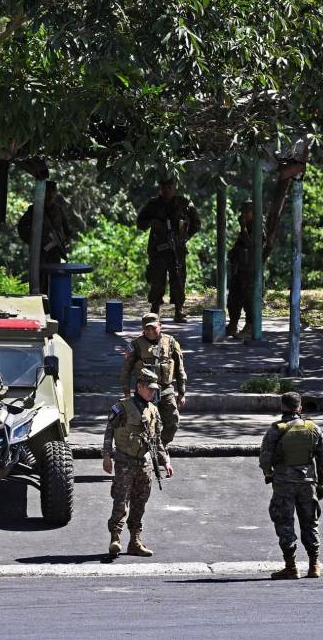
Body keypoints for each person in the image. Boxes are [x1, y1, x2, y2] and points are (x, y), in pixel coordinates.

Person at [103, 367, 174, 557]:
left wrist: (165, 460)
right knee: (120, 501)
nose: (152, 392)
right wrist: (107, 455)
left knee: (139, 504)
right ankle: (115, 538)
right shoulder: (123, 406)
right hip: (125, 461)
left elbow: (157, 439)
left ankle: (135, 541)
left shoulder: (153, 410)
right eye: (149, 388)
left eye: (154, 389)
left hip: (145, 463)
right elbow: (109, 431)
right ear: (139, 386)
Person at [260, 391, 323, 579]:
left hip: (283, 483)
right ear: (300, 408)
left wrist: (269, 474)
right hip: (308, 483)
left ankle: (291, 566)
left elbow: (265, 459)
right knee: (310, 522)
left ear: (282, 407)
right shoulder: (314, 428)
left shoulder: (276, 429)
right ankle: (314, 565)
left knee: (285, 523)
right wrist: (320, 484)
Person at [136, 179, 201, 322]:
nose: (167, 190)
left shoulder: (184, 203)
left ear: (174, 187)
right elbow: (140, 222)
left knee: (178, 278)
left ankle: (179, 309)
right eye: (164, 186)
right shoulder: (153, 204)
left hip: (177, 249)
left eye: (170, 187)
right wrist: (152, 222)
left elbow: (196, 223)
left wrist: (184, 237)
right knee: (157, 278)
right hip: (158, 249)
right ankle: (155, 309)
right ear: (160, 187)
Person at [120, 312, 186, 446]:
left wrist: (182, 392)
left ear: (160, 326)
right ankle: (147, 450)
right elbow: (126, 370)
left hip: (165, 389)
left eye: (153, 328)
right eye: (146, 328)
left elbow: (180, 369)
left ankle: (161, 446)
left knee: (172, 422)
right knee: (145, 423)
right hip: (145, 391)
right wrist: (127, 392)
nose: (150, 331)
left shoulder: (171, 342)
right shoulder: (135, 345)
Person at [17, 181, 72, 293]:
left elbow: (68, 231)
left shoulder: (58, 210)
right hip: (39, 253)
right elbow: (22, 227)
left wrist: (62, 241)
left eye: (53, 192)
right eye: (48, 192)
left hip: (55, 252)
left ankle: (52, 306)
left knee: (54, 281)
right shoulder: (34, 210)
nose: (50, 195)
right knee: (38, 280)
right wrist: (36, 242)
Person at [227, 199, 266, 338]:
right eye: (242, 212)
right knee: (234, 298)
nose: (243, 215)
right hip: (240, 269)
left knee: (250, 300)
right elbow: (240, 246)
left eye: (246, 212)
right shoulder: (246, 228)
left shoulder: (258, 228)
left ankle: (250, 327)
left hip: (250, 271)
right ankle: (233, 323)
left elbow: (251, 246)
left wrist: (243, 228)